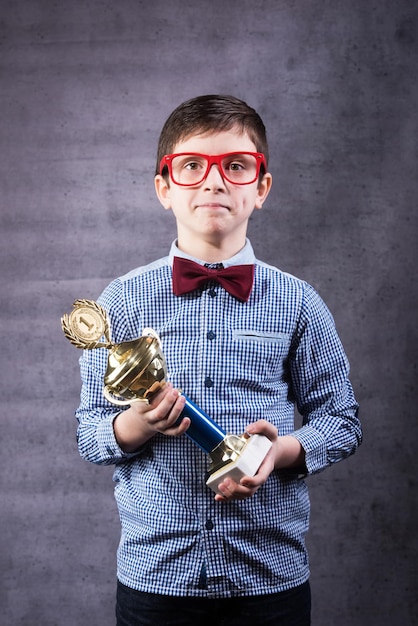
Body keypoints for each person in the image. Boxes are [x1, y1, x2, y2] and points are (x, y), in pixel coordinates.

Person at [75, 94, 362, 626]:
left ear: (261, 187)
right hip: (155, 580)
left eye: (235, 166)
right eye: (191, 166)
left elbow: (341, 422)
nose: (213, 182)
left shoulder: (299, 302)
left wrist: (283, 451)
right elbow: (89, 431)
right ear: (164, 188)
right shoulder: (118, 303)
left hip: (269, 579)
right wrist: (133, 425)